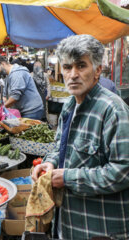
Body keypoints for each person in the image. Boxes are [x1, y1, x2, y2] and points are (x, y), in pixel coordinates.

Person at [31, 35, 129, 239]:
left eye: (81, 66)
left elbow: (122, 172)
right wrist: (50, 163)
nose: (73, 74)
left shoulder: (113, 110)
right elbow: (60, 148)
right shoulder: (68, 106)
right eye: (67, 67)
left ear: (98, 70)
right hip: (66, 224)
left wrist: (67, 178)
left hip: (98, 229)